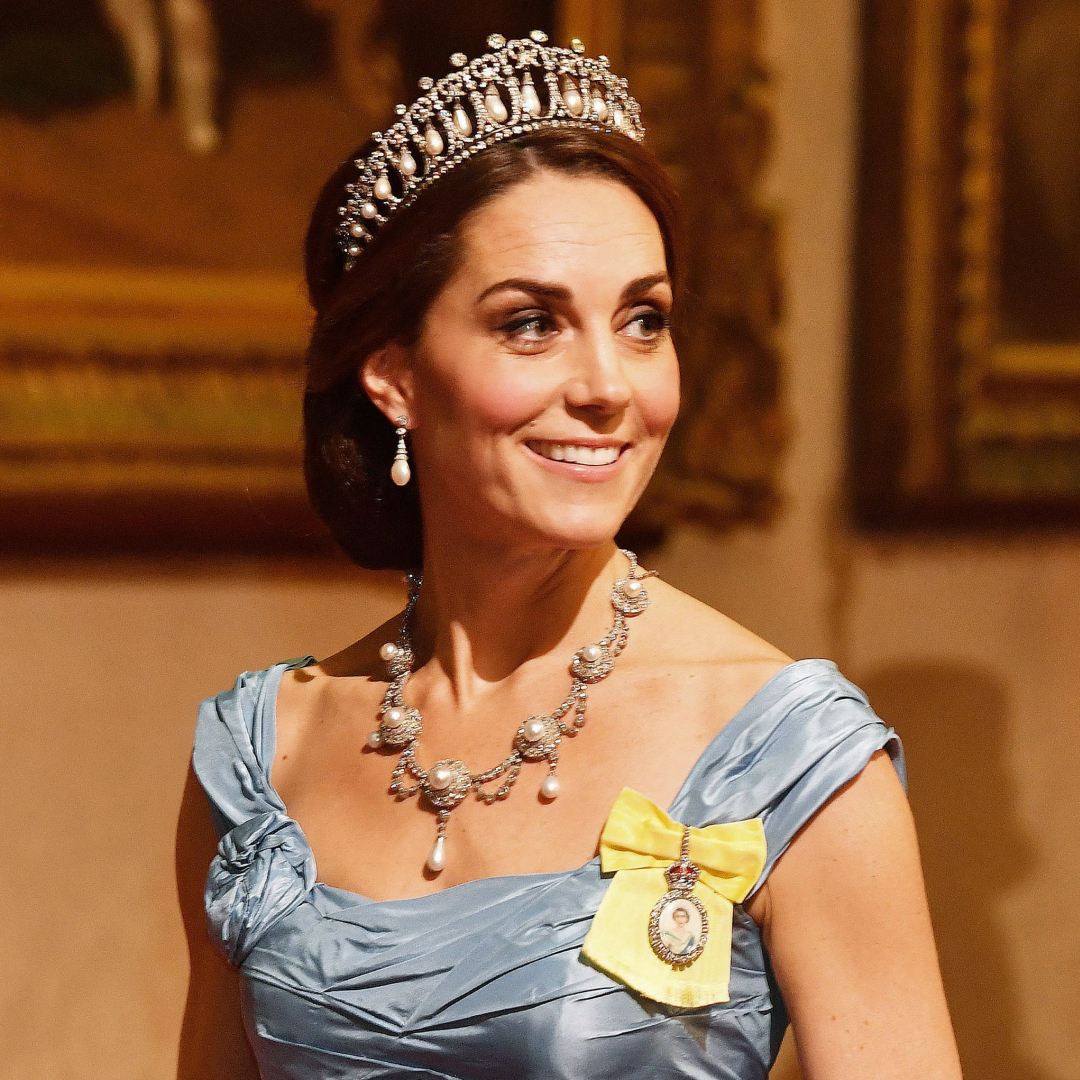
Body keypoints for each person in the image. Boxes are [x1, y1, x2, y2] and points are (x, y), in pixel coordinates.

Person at [175, 31, 963, 1080]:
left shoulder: (794, 759)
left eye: (644, 321)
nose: (608, 386)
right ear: (395, 376)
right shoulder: (261, 757)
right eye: (533, 323)